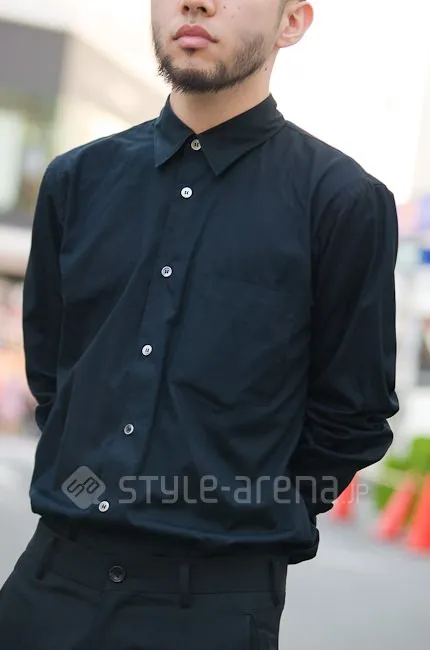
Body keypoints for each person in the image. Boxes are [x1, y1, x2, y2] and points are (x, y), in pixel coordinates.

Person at [0, 0, 399, 648]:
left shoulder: (343, 202)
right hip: (48, 585)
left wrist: (245, 508)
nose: (196, 3)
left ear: (292, 22)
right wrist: (85, 483)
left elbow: (353, 416)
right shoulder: (76, 180)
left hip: (211, 607)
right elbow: (55, 378)